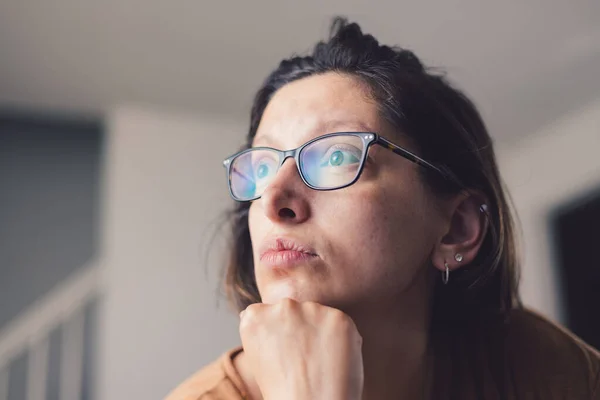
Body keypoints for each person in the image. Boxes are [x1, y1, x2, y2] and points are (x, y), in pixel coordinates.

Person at [166, 18, 600, 400]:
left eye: (337, 156)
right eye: (262, 166)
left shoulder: (542, 372)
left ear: (457, 228)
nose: (273, 200)